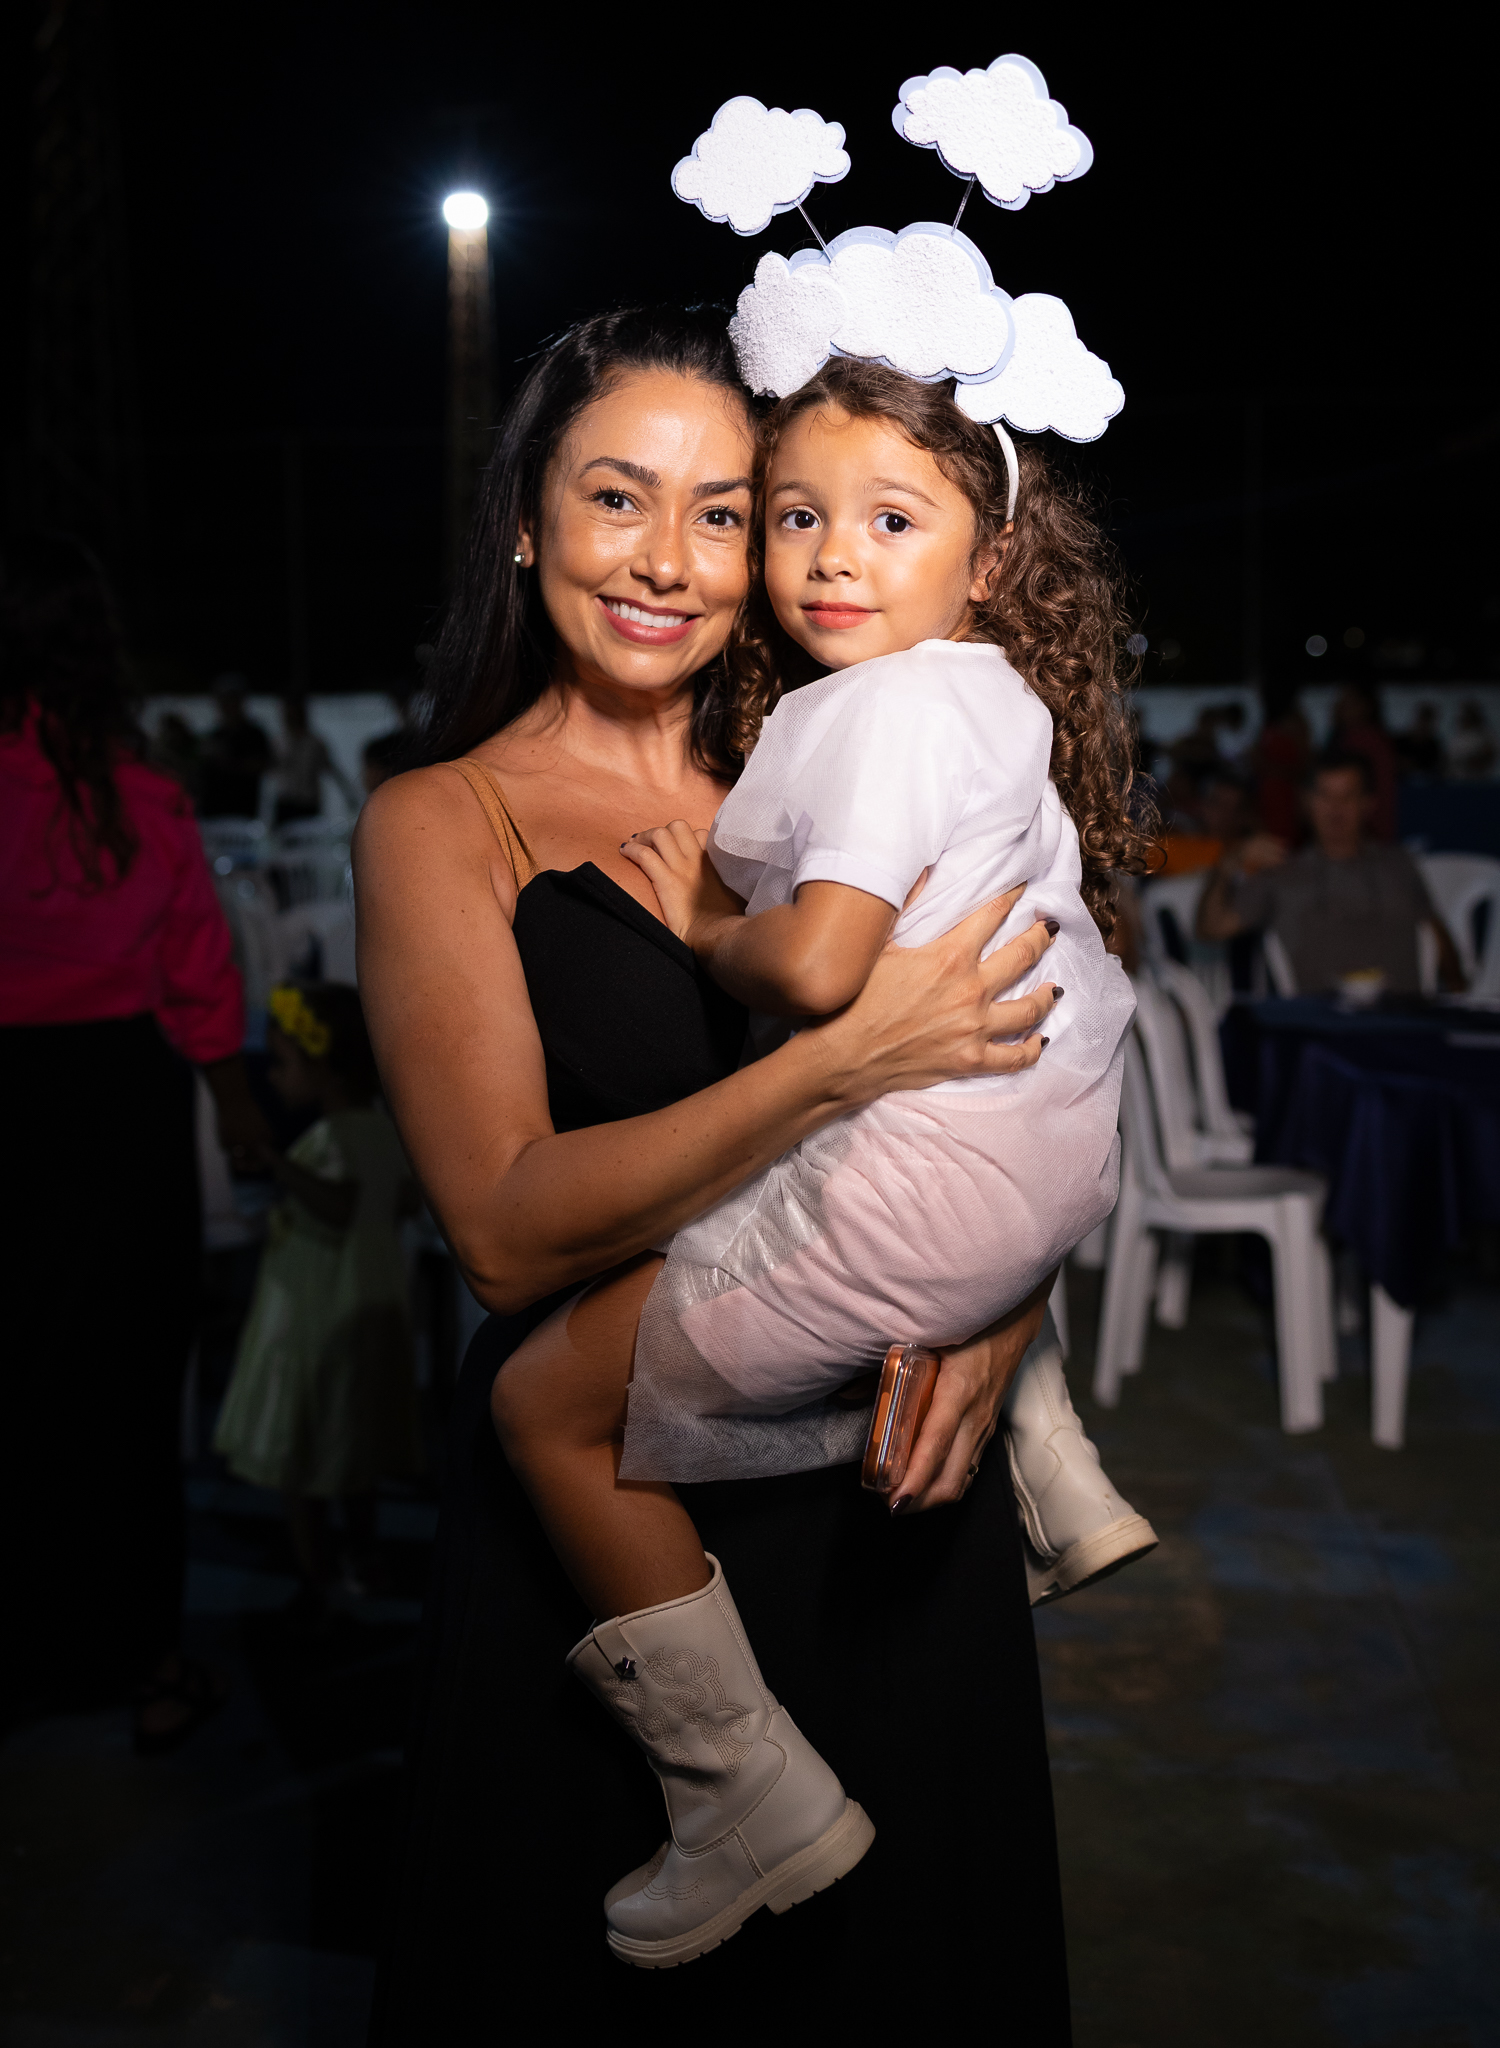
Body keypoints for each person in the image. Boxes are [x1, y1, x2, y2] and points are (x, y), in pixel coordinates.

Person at [358, 308, 1072, 2036]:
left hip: (886, 1524)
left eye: (727, 512)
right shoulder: (446, 821)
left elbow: (1028, 1058)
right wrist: (830, 1060)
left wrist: (1004, 1311)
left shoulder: (840, 751)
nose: (669, 561)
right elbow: (502, 1234)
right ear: (528, 516)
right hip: (621, 1523)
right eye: (619, 497)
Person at [487, 355, 1152, 1964]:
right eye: (795, 515)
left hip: (915, 1286)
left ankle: (741, 1791)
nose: (831, 553)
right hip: (1041, 1162)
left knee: (535, 1407)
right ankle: (1053, 1464)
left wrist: (709, 925)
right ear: (524, 522)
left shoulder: (860, 715)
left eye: (723, 513)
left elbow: (825, 973)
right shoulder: (980, 695)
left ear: (988, 558)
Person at [0, 532, 272, 1750]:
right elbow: (201, 977)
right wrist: (239, 1108)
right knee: (122, 1390)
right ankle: (144, 1661)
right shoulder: (141, 798)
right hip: (118, 1102)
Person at [214, 981, 420, 1617]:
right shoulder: (383, 1131)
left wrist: (276, 1164)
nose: (273, 1077)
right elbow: (402, 1202)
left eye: (282, 1063)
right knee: (352, 1449)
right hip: (370, 1302)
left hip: (317, 1311)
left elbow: (338, 1206)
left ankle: (316, 1581)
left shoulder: (334, 1138)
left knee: (303, 1451)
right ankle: (364, 1559)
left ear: (324, 1066)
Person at [1197, 750, 1464, 994]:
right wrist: (1228, 864)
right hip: (1322, 1021)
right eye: (1324, 796)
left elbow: (1435, 932)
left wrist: (1459, 992)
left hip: (1404, 1015)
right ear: (1307, 802)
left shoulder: (1399, 864)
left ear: (1367, 803)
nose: (1336, 809)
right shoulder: (1282, 872)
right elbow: (1211, 927)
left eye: (1348, 797)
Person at [272, 694, 359, 826]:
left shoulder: (315, 743)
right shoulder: (278, 742)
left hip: (308, 802)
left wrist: (349, 794)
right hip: (285, 801)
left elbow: (332, 769)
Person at [197, 673, 273, 818]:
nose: (227, 705)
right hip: (213, 814)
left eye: (232, 699)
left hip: (242, 814)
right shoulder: (214, 735)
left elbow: (263, 764)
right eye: (223, 700)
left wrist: (229, 760)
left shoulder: (254, 735)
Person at [1330, 683, 1398, 840]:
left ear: (1366, 706)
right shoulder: (1358, 737)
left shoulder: (1365, 740)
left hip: (1364, 827)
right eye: (1341, 701)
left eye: (1349, 702)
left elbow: (1380, 790)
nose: (1342, 707)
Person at [1450, 698, 1497, 779]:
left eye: (1470, 715)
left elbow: (1488, 755)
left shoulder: (1485, 736)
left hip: (1482, 779)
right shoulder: (1458, 738)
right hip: (1459, 779)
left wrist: (1473, 760)